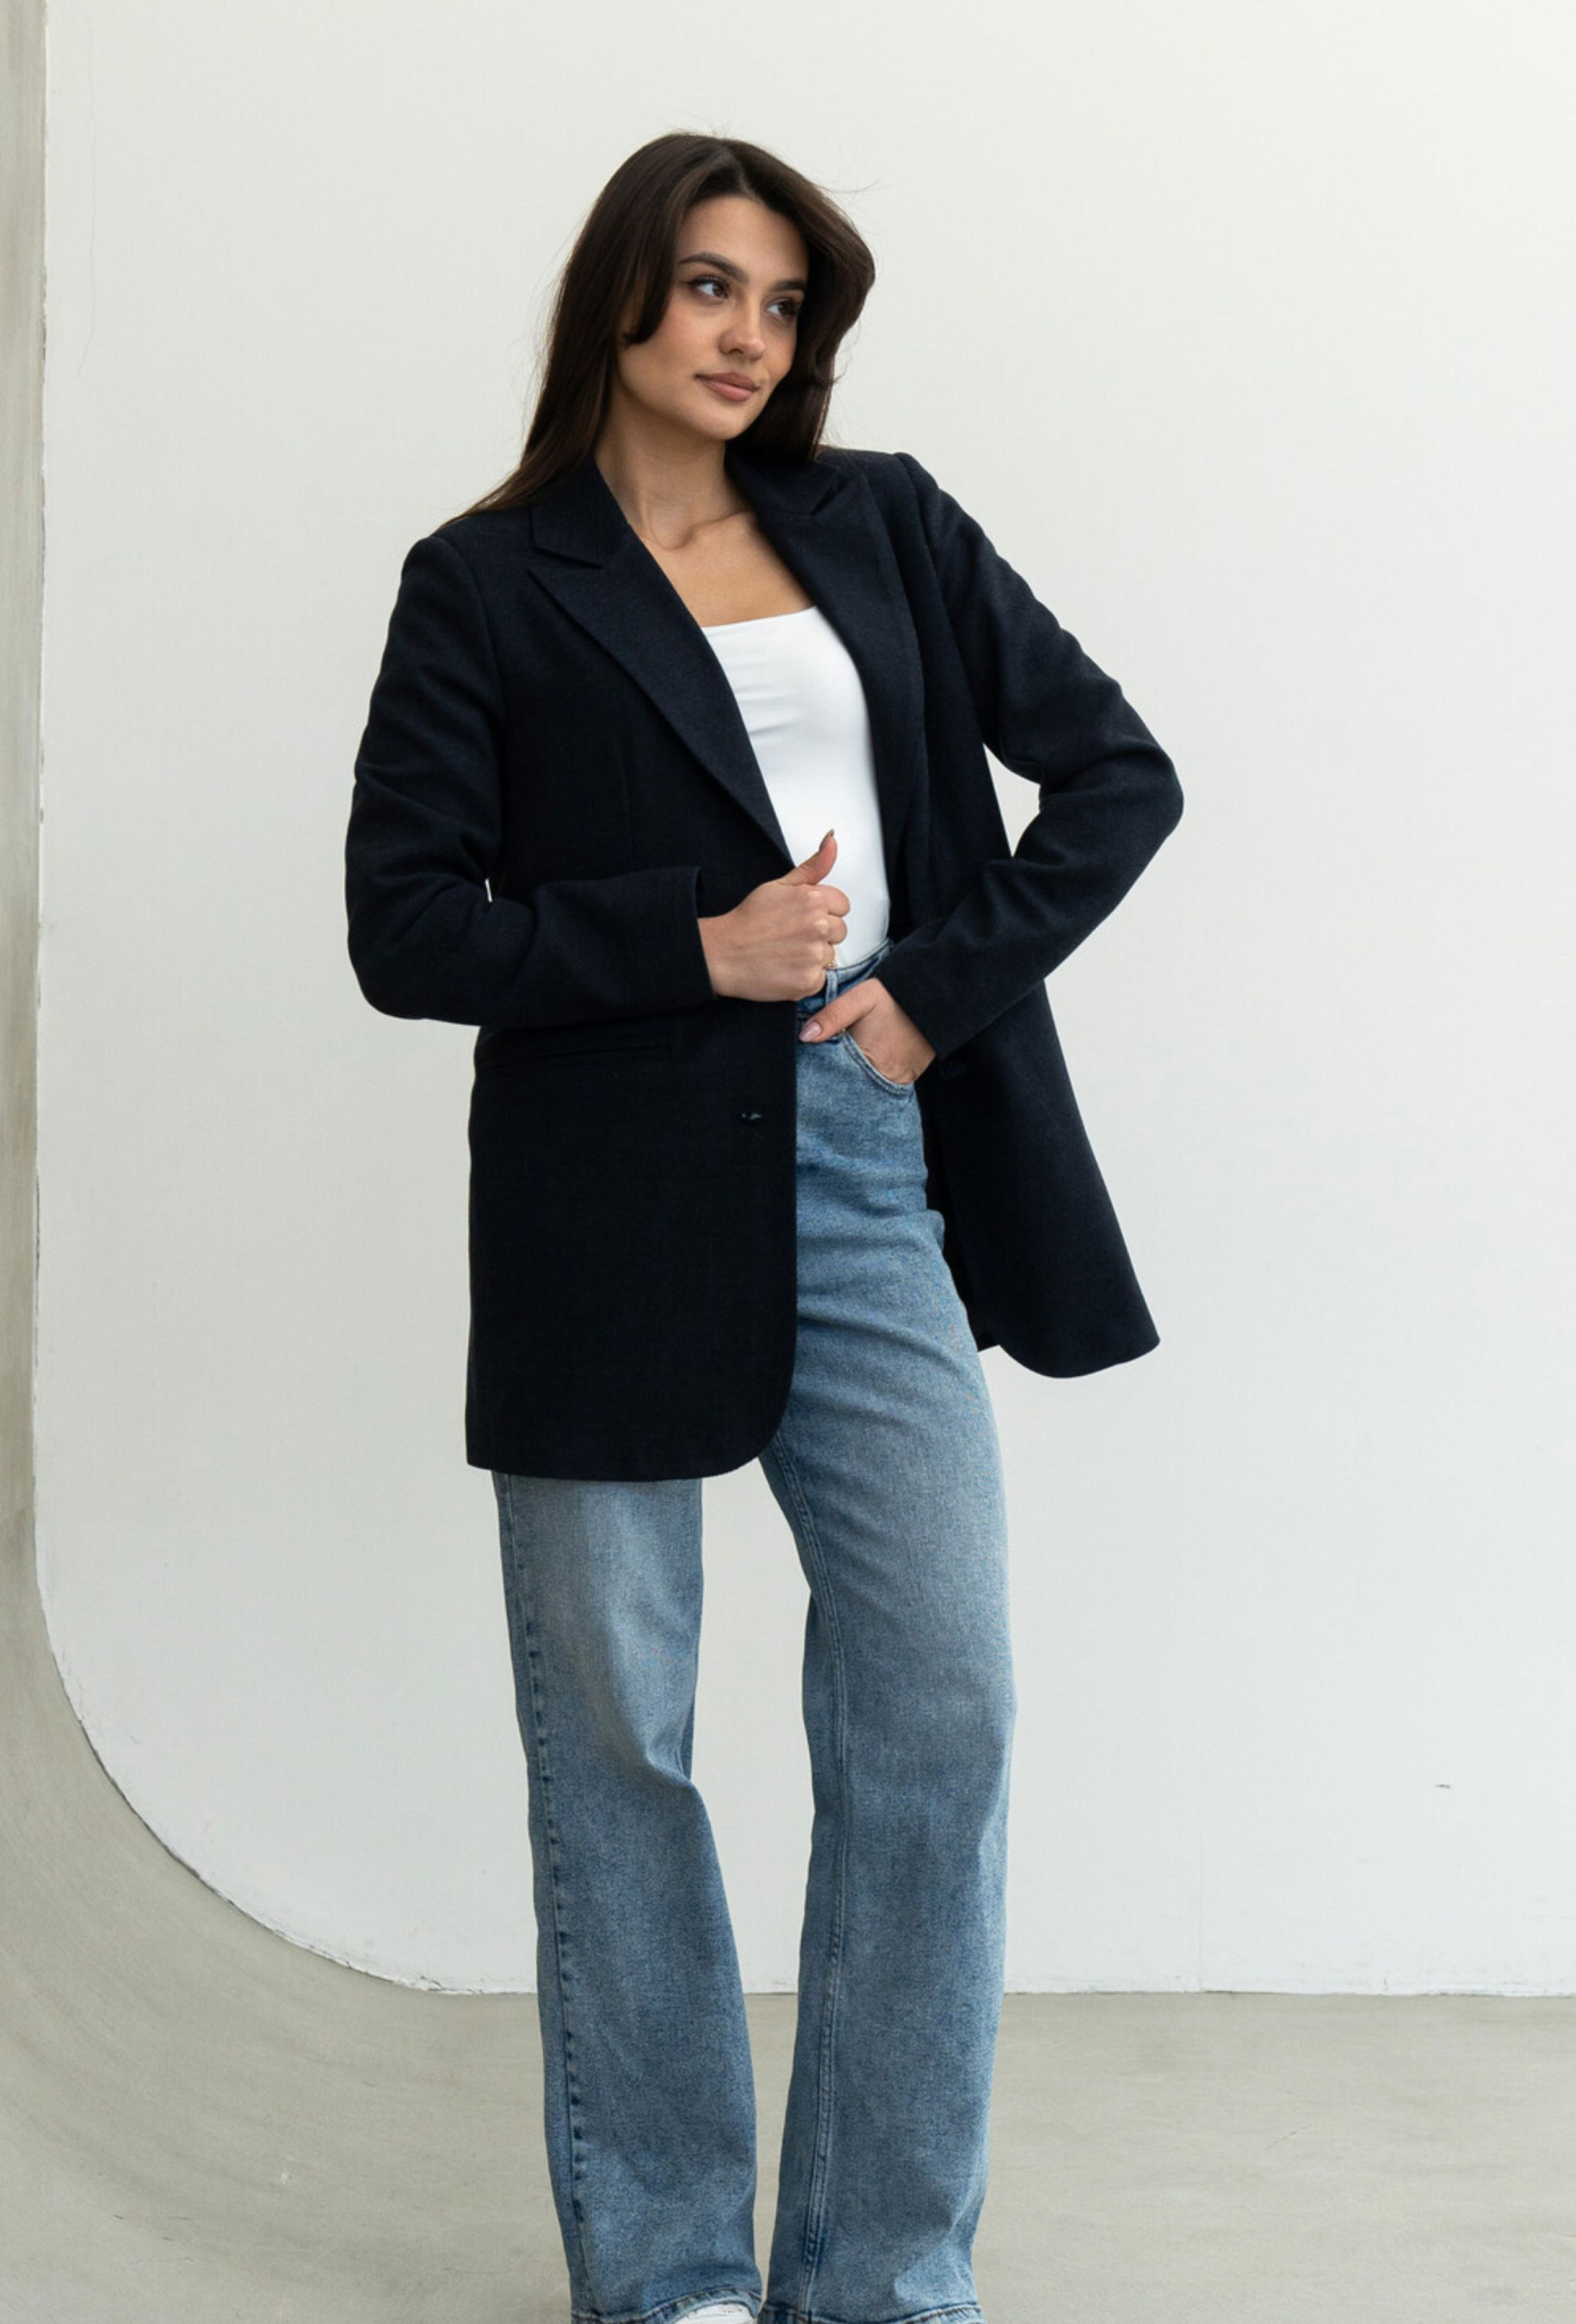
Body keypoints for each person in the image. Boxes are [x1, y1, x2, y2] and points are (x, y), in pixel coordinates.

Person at [346, 131, 1182, 2324]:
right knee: (619, 1735)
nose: (747, 334)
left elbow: (1117, 775)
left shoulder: (881, 521)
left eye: (783, 302)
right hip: (604, 1190)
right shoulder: (487, 581)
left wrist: (926, 996)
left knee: (939, 1700)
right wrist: (682, 943)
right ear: (620, 292)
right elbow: (403, 923)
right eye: (710, 285)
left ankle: (880, 2272)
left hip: (859, 1153)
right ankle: (670, 2273)